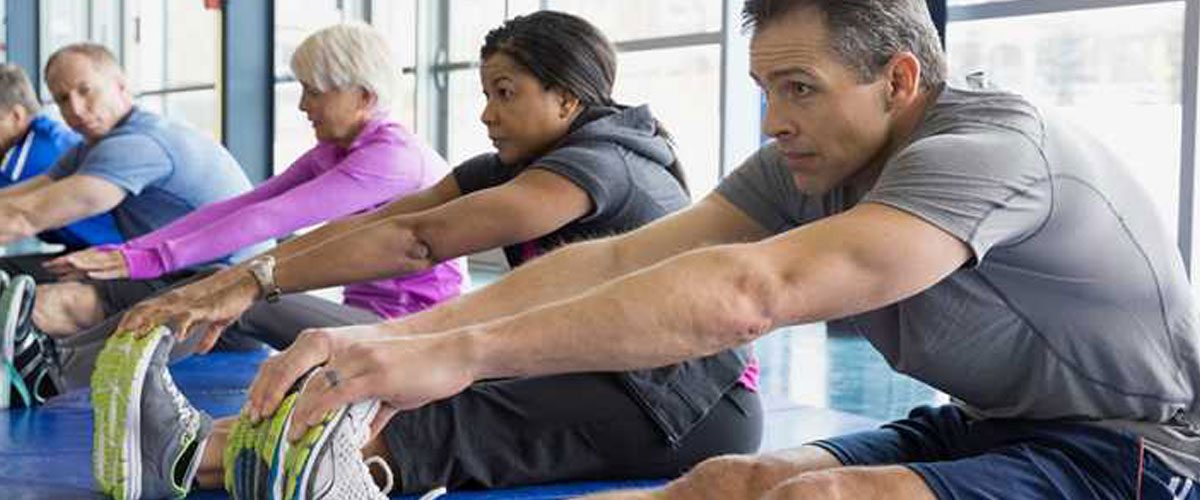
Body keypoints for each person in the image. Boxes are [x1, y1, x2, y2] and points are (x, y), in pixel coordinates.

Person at [216, 0, 1196, 498]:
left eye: (799, 88)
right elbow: (620, 258)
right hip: (989, 423)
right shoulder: (808, 162)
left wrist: (456, 353)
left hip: (1139, 451)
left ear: (899, 80)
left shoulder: (989, 153)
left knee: (829, 498)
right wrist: (409, 341)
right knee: (725, 484)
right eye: (765, 89)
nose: (772, 120)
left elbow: (751, 290)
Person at [90, 11, 762, 499]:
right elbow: (386, 220)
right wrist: (244, 275)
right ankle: (203, 442)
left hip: (679, 405)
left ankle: (188, 458)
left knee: (442, 413)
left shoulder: (601, 166)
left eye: (506, 93)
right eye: (486, 93)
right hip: (593, 360)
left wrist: (251, 283)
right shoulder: (518, 163)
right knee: (394, 379)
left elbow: (419, 241)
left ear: (567, 98)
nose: (487, 113)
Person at [0, 63, 121, 252]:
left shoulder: (36, 155)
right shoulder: (46, 134)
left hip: (114, 256)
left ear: (16, 116)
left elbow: (8, 214)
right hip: (86, 249)